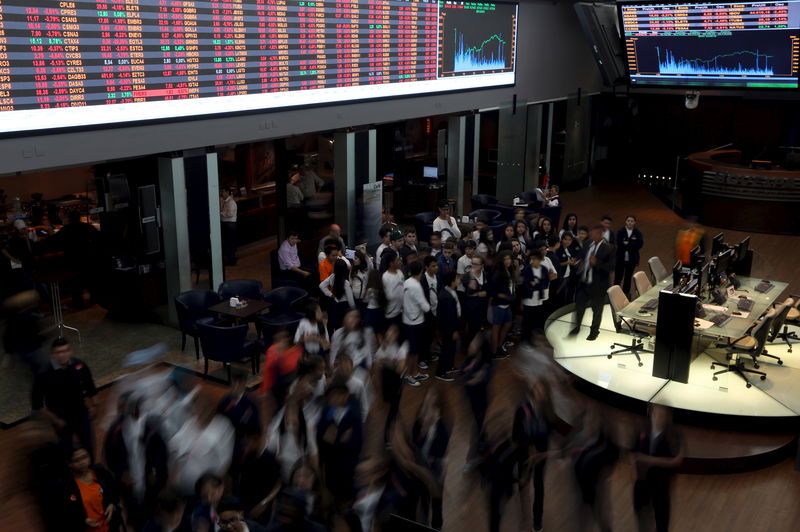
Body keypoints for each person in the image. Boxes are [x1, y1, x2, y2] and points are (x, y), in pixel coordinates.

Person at [32, 337, 98, 455]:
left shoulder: (80, 366)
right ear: (52, 354)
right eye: (58, 352)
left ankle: (91, 470)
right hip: (61, 420)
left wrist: (95, 405)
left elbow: (90, 387)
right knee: (66, 450)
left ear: (71, 351)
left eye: (65, 350)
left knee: (88, 447)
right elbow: (37, 404)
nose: (63, 355)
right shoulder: (43, 374)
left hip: (81, 415)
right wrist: (55, 420)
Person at [632, 405, 684, 532]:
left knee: (661, 523)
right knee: (642, 519)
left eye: (662, 415)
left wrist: (649, 460)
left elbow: (676, 461)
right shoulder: (642, 430)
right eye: (656, 414)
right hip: (642, 484)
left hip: (661, 487)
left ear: (668, 417)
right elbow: (631, 454)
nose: (658, 418)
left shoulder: (673, 436)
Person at [513, 380, 555, 532]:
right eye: (537, 389)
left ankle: (537, 519)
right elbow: (515, 434)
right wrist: (528, 446)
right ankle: (524, 516)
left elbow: (557, 431)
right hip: (524, 455)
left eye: (542, 390)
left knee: (539, 487)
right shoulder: (522, 410)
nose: (539, 392)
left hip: (540, 457)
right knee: (523, 486)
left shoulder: (548, 412)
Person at [316, 377, 363, 505]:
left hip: (347, 473)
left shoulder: (354, 417)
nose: (333, 399)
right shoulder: (327, 414)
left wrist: (335, 442)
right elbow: (320, 437)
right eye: (330, 396)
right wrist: (335, 441)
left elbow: (356, 444)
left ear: (345, 395)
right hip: (330, 471)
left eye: (336, 395)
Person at [59, 444, 120, 532]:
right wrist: (82, 521)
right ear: (69, 464)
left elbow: (114, 492)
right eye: (77, 460)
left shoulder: (102, 474)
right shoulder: (66, 486)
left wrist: (112, 504)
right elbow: (64, 513)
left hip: (109, 528)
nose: (82, 462)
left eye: (84, 457)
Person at [571, 225, 616, 341]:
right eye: (592, 233)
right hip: (584, 282)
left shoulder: (609, 248)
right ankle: (576, 327)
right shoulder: (587, 244)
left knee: (597, 310)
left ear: (600, 234)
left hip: (598, 285)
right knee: (579, 306)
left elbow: (611, 267)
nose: (592, 236)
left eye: (595, 234)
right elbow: (581, 257)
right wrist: (577, 261)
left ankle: (594, 331)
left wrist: (597, 263)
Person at [47, 211, 100, 307]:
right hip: (89, 258)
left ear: (69, 219)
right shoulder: (88, 227)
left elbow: (53, 241)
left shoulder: (66, 229)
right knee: (91, 281)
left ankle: (78, 302)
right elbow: (98, 238)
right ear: (79, 218)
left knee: (76, 283)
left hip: (73, 259)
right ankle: (94, 300)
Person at [403, 260, 431, 382]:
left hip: (408, 319)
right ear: (420, 271)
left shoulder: (407, 282)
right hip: (415, 321)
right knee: (413, 351)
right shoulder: (416, 285)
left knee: (414, 350)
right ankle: (409, 374)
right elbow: (425, 307)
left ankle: (414, 372)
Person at [261, 329, 304, 407]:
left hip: (292, 386)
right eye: (277, 339)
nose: (278, 342)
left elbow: (299, 371)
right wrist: (265, 390)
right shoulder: (271, 350)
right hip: (277, 388)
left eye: (282, 338)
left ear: (289, 338)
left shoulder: (297, 351)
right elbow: (267, 371)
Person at [521, 250, 553, 342]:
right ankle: (525, 340)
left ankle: (532, 340)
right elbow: (527, 284)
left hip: (539, 299)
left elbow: (546, 283)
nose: (533, 261)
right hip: (529, 300)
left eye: (535, 259)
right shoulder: (527, 269)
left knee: (535, 321)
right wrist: (537, 285)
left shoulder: (543, 269)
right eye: (531, 259)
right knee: (527, 321)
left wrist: (536, 284)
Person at [490, 251, 516, 359]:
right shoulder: (498, 274)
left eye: (509, 258)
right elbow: (493, 292)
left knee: (508, 324)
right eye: (505, 259)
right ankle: (494, 352)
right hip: (499, 306)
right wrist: (504, 296)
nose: (508, 261)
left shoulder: (509, 270)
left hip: (507, 305)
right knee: (496, 329)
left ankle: (499, 346)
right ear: (501, 261)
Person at [319, 259, 356, 332]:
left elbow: (321, 285)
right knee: (340, 327)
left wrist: (330, 294)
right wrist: (354, 309)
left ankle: (331, 339)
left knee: (331, 324)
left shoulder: (332, 276)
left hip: (333, 303)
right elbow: (351, 301)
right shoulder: (346, 283)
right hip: (343, 306)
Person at [436, 270, 460, 381]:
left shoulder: (450, 291)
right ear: (452, 281)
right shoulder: (446, 297)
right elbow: (449, 316)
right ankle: (440, 372)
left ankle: (449, 366)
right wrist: (454, 330)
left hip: (450, 327)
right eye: (457, 279)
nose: (458, 280)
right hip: (448, 328)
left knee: (451, 348)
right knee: (446, 349)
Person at [614, 215, 644, 297]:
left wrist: (627, 245)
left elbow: (640, 244)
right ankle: (615, 295)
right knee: (618, 277)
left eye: (632, 221)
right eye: (628, 220)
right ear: (625, 222)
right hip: (620, 259)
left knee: (628, 278)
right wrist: (631, 245)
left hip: (632, 259)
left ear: (634, 222)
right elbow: (619, 244)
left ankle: (625, 295)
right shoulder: (621, 231)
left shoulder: (637, 233)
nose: (630, 222)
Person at [462, 255, 489, 346]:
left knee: (478, 328)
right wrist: (472, 276)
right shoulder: (467, 276)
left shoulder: (486, 275)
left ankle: (475, 346)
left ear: (482, 265)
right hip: (471, 307)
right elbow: (471, 290)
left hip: (482, 306)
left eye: (476, 264)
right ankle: (468, 346)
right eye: (472, 263)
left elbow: (489, 289)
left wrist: (484, 292)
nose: (473, 265)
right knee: (471, 328)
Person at [381, 250, 405, 329]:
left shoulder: (400, 272)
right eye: (397, 260)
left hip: (401, 312)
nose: (400, 261)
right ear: (391, 263)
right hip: (391, 314)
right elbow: (388, 296)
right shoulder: (385, 277)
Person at [556, 231, 579, 304]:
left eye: (569, 240)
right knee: (560, 298)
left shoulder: (569, 249)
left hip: (568, 276)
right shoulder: (558, 250)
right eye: (565, 239)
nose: (567, 241)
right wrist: (567, 262)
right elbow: (556, 264)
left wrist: (573, 261)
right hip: (561, 277)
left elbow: (569, 260)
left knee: (568, 296)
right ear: (562, 240)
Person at [363, 269, 387, 341]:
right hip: (380, 311)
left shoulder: (369, 290)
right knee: (379, 333)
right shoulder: (381, 288)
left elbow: (365, 300)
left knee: (372, 334)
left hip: (371, 312)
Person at [220, 187, 238, 265]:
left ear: (227, 192)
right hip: (225, 223)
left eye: (223, 192)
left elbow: (230, 214)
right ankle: (230, 258)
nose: (222, 193)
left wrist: (221, 213)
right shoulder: (223, 200)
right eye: (221, 192)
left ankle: (232, 260)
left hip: (230, 224)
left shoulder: (231, 202)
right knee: (227, 243)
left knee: (230, 243)